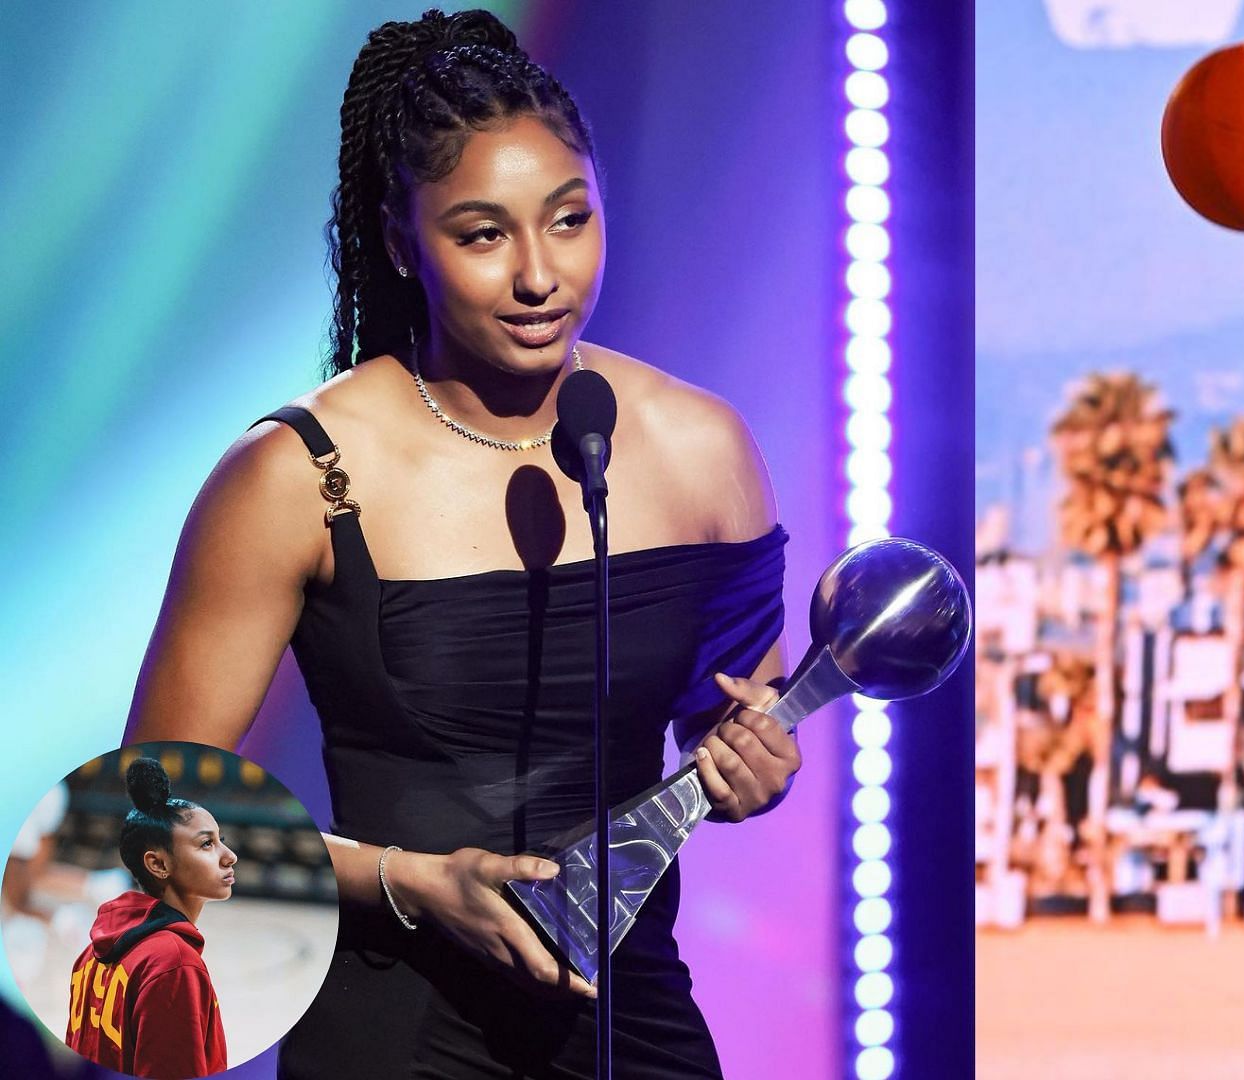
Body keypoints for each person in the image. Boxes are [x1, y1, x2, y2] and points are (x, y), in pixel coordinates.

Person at [124, 10, 798, 1077]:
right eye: (483, 235)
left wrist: (757, 767)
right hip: (397, 1028)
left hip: (632, 1021)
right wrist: (405, 881)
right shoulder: (299, 475)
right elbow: (142, 809)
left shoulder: (702, 448)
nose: (540, 276)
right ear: (403, 244)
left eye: (570, 221)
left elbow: (734, 723)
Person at [66, 758, 234, 1080]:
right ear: (158, 865)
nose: (229, 856)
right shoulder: (174, 963)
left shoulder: (89, 955)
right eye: (207, 844)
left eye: (220, 839)